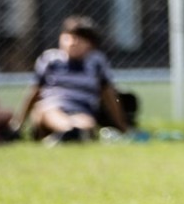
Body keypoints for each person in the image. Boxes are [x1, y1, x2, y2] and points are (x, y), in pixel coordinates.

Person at [15, 15, 130, 143]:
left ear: (90, 44)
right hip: (49, 108)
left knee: (87, 123)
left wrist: (121, 125)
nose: (72, 43)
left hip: (81, 109)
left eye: (79, 39)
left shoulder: (96, 62)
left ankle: (66, 135)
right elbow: (34, 92)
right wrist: (19, 123)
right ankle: (68, 131)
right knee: (53, 113)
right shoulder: (50, 59)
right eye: (68, 37)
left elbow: (108, 94)